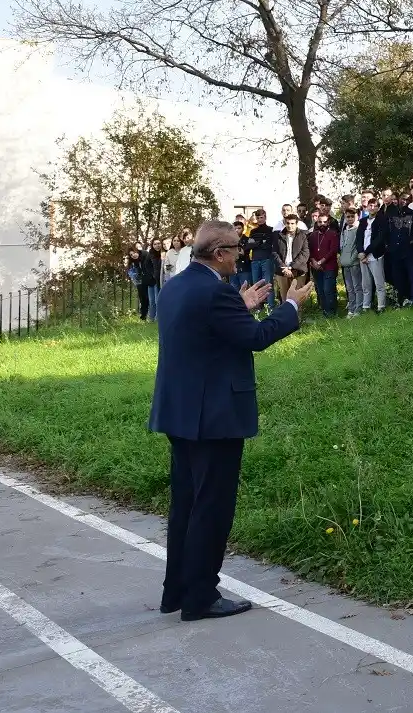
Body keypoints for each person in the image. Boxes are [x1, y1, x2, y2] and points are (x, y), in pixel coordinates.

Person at [147, 220, 311, 621]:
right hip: (213, 416)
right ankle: (201, 596)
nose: (243, 253)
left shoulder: (177, 288)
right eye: (237, 248)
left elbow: (203, 331)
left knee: (185, 504)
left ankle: (178, 592)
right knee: (212, 507)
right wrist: (291, 306)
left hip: (180, 411)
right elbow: (254, 339)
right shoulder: (215, 292)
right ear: (219, 253)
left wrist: (239, 307)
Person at [356, 196, 388, 312]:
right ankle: (366, 306)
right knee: (366, 283)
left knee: (379, 282)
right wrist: (360, 252)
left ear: (378, 208)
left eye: (375, 205)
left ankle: (381, 306)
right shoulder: (363, 221)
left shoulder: (382, 220)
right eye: (370, 205)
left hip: (375, 254)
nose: (372, 207)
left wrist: (366, 252)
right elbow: (359, 237)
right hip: (362, 256)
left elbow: (379, 239)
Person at [307, 212, 339, 317]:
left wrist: (321, 261)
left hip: (329, 266)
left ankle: (332, 311)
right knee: (320, 290)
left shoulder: (333, 233)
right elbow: (309, 250)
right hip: (316, 267)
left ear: (328, 222)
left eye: (324, 222)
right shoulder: (312, 235)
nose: (322, 224)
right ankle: (325, 311)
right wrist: (313, 261)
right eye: (320, 222)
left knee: (328, 289)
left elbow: (333, 250)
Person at [245, 209, 277, 310]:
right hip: (255, 260)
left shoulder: (271, 230)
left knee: (268, 283)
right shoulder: (253, 231)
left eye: (261, 217)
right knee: (256, 284)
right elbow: (249, 245)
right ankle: (258, 307)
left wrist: (256, 243)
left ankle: (271, 307)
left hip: (266, 259)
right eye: (257, 218)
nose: (259, 219)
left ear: (265, 217)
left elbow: (268, 245)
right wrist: (260, 242)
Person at [338, 207, 364, 317]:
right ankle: (351, 309)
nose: (349, 219)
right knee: (349, 288)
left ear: (357, 216)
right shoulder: (344, 231)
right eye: (347, 216)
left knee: (357, 286)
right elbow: (342, 247)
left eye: (352, 216)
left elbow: (358, 246)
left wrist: (353, 258)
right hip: (345, 263)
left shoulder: (358, 229)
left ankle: (358, 308)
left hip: (354, 263)